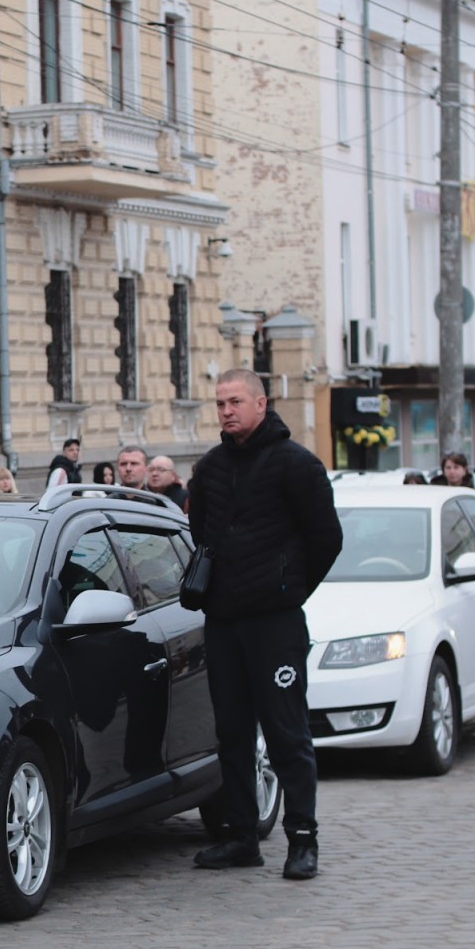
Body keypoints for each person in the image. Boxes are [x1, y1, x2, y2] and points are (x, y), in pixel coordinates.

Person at [185, 370, 343, 881]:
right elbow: (201, 533)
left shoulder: (297, 465)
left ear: (260, 403)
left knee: (286, 731)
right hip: (223, 621)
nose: (226, 411)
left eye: (235, 401)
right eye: (219, 403)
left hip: (275, 623)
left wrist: (287, 588)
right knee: (231, 731)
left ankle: (302, 838)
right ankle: (240, 835)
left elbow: (327, 539)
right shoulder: (209, 468)